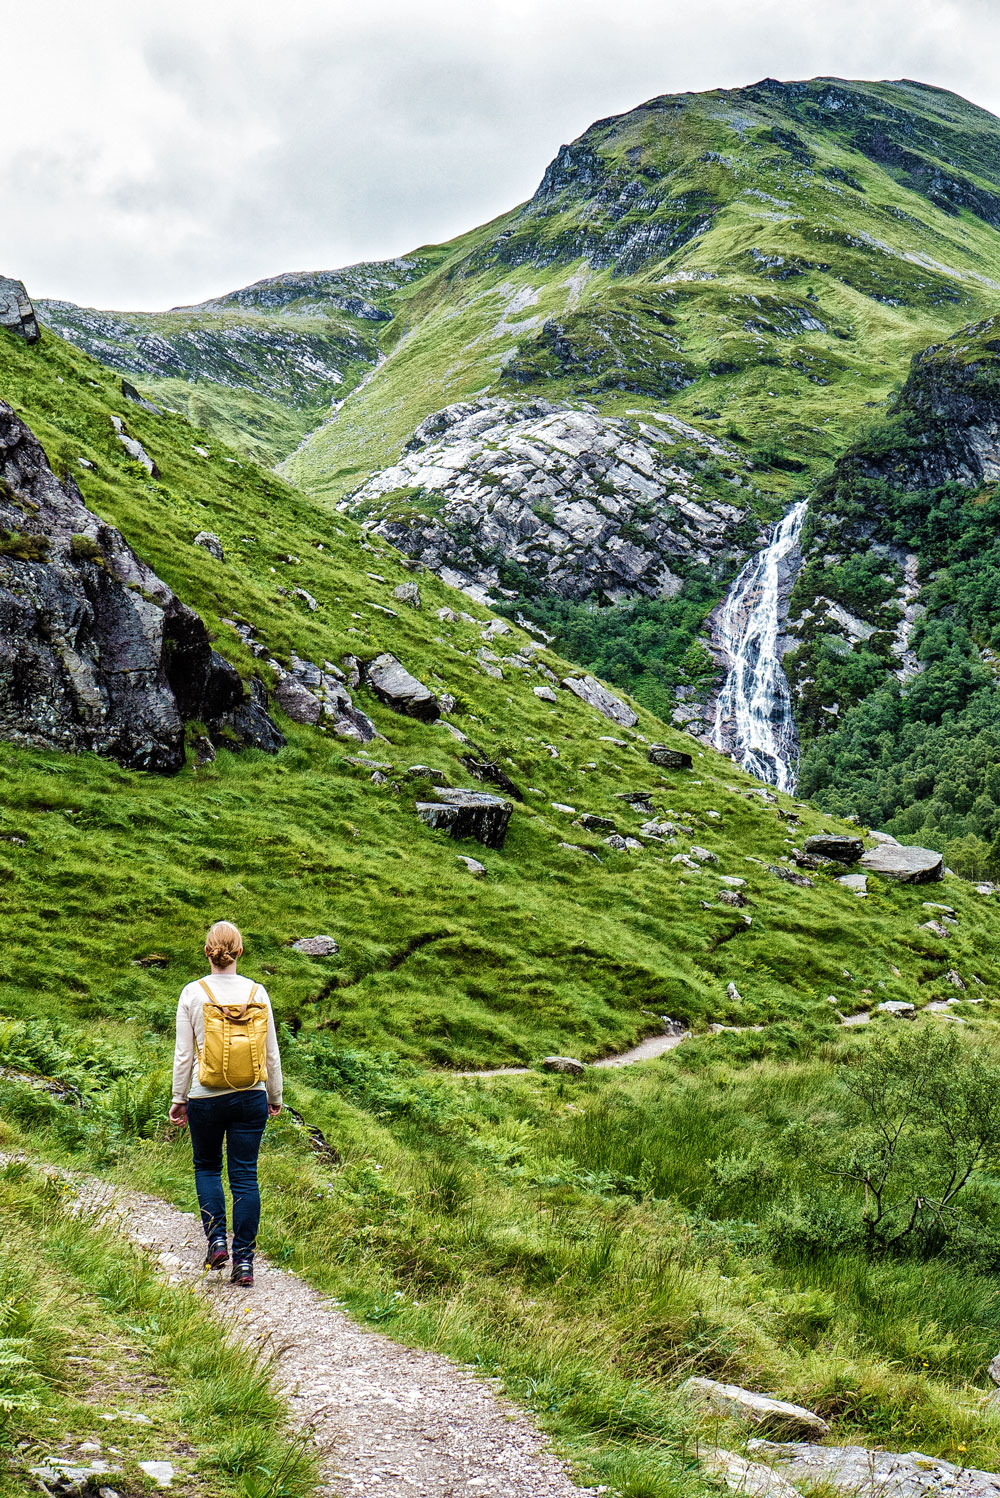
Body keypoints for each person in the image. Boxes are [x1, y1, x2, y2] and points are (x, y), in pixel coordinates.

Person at [168, 920, 282, 1287]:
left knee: (206, 1168)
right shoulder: (258, 992)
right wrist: (274, 1095)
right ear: (240, 951)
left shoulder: (192, 993)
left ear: (207, 952)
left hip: (205, 1096)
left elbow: (184, 1055)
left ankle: (217, 1240)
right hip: (252, 1095)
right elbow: (272, 1053)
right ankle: (245, 1263)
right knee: (245, 1177)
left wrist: (178, 1098)